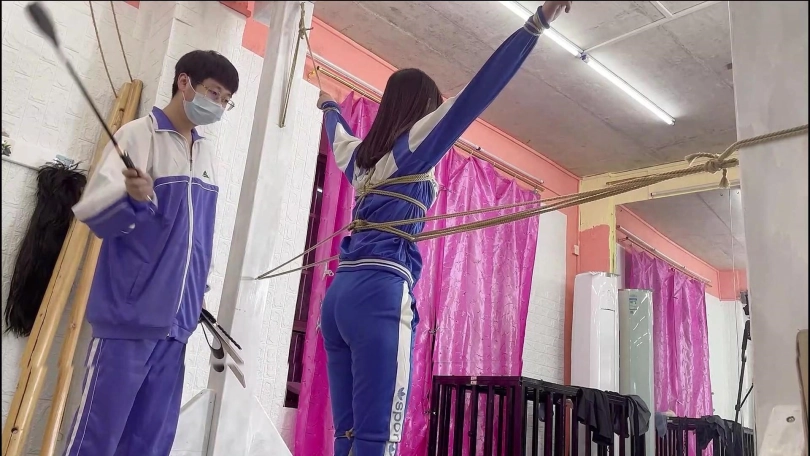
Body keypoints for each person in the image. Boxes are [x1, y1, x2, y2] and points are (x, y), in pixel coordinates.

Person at [315, 2, 573, 454]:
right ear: (420, 110)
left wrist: (330, 104)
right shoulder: (413, 145)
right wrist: (536, 24)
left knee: (348, 434)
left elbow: (337, 131)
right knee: (377, 439)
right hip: (379, 292)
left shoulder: (360, 160)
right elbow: (476, 93)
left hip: (339, 298)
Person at [65, 50, 238, 456]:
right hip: (129, 319)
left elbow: (198, 237)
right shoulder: (137, 136)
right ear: (184, 82)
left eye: (226, 100)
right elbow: (96, 216)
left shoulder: (206, 154)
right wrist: (133, 198)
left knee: (150, 443)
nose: (218, 105)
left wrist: (197, 293)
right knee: (97, 439)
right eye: (214, 93)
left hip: (177, 326)